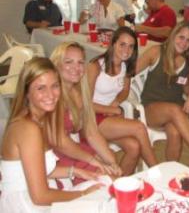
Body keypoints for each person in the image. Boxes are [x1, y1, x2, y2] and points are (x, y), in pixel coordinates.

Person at [0, 57, 101, 212]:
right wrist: (82, 194)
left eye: (55, 86)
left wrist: (76, 171)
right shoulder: (28, 129)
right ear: (26, 92)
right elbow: (40, 197)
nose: (50, 94)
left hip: (36, 197)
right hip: (27, 205)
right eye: (41, 88)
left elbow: (40, 168)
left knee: (104, 186)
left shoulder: (38, 118)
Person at [136, 21, 189, 173]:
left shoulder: (187, 60)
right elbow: (130, 72)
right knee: (175, 110)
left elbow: (186, 84)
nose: (184, 43)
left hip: (175, 113)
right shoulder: (156, 52)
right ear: (173, 35)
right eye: (181, 37)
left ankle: (169, 174)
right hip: (151, 109)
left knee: (175, 133)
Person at [87, 27, 158, 174]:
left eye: (131, 46)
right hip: (90, 119)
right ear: (113, 44)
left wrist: (117, 101)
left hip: (109, 117)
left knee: (134, 147)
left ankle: (121, 187)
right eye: (122, 44)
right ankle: (158, 171)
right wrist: (113, 110)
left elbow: (125, 91)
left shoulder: (126, 66)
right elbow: (85, 104)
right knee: (139, 127)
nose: (127, 50)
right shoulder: (95, 66)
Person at [50, 42, 123, 184]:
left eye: (80, 62)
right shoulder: (52, 95)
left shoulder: (78, 93)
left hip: (69, 147)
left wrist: (112, 162)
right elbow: (59, 141)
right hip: (52, 154)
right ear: (56, 65)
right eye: (69, 62)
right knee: (105, 178)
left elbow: (91, 132)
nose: (76, 68)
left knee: (111, 163)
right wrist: (92, 160)